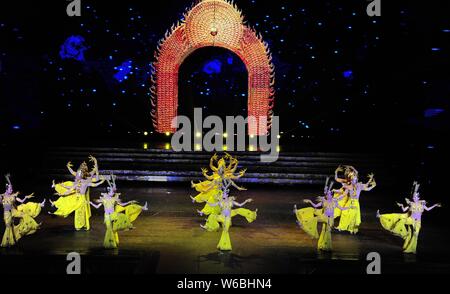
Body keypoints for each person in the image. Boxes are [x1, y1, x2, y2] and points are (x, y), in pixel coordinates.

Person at [377, 182, 441, 254]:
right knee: (399, 219)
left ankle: (412, 249)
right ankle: (399, 232)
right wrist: (401, 205)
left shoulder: (422, 204)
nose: (414, 198)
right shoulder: (411, 203)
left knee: (415, 235)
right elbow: (404, 210)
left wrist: (435, 205)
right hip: (410, 219)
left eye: (415, 196)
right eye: (413, 197)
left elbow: (428, 209)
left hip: (417, 222)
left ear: (419, 197)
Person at [90, 174, 148, 249]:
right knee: (109, 229)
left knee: (119, 221)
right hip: (107, 216)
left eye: (113, 192)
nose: (113, 193)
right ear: (108, 191)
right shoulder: (104, 198)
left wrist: (129, 202)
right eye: (112, 191)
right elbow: (97, 205)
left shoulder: (115, 199)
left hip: (114, 215)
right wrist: (92, 203)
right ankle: (110, 243)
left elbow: (122, 204)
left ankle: (129, 224)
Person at [294, 178, 352, 251]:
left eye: (329, 194)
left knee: (326, 232)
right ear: (326, 196)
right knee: (314, 218)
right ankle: (302, 223)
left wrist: (350, 207)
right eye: (327, 195)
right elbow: (315, 206)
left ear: (331, 195)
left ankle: (325, 246)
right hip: (323, 216)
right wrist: (310, 201)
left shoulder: (335, 201)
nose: (328, 196)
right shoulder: (323, 201)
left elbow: (342, 208)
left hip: (330, 219)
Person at [1, 174, 45, 247]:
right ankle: (7, 242)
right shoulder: (2, 196)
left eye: (12, 189)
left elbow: (21, 201)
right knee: (9, 228)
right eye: (10, 189)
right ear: (6, 189)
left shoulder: (13, 195)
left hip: (14, 210)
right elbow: (3, 203)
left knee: (25, 214)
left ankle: (34, 225)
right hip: (7, 213)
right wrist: (7, 178)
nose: (11, 190)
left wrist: (26, 197)